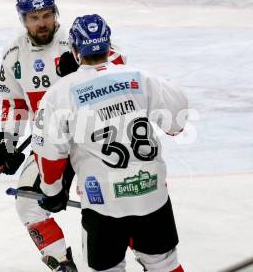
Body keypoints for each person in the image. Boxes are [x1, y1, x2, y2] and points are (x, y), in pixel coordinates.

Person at [32, 14, 187, 272]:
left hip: (103, 204)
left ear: (74, 50)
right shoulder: (140, 77)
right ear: (108, 45)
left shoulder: (60, 93)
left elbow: (50, 156)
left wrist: (52, 192)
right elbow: (177, 123)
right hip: (152, 196)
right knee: (164, 264)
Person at [0, 0, 126, 271]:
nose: (42, 23)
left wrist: (82, 72)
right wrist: (8, 142)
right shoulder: (13, 52)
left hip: (94, 138)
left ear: (55, 14)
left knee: (104, 206)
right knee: (28, 204)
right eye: (34, 17)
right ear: (23, 19)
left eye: (47, 15)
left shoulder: (76, 40)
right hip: (50, 140)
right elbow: (15, 102)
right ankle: (63, 264)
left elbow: (119, 68)